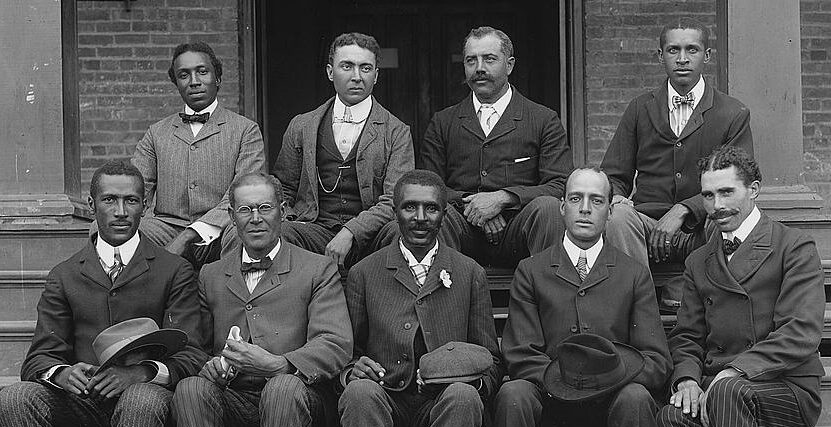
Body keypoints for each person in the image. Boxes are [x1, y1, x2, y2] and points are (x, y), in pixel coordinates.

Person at [0, 160, 205, 427]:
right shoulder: (65, 274)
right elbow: (38, 359)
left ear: (145, 206)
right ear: (92, 205)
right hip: (86, 407)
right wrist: (62, 372)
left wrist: (144, 373)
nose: (120, 211)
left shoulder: (173, 270)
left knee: (143, 399)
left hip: (147, 414)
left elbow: (195, 353)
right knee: (15, 398)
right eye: (109, 200)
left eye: (131, 200)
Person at [491, 167, 671, 427]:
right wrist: (564, 380)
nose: (585, 208)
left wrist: (602, 379)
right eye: (576, 199)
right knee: (512, 394)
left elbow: (656, 360)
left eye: (596, 200)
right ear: (561, 207)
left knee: (639, 398)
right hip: (548, 403)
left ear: (611, 210)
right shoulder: (532, 270)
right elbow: (519, 354)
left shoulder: (631, 272)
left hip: (611, 407)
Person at [171, 172, 353, 427]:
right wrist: (211, 366)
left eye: (264, 208)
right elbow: (192, 345)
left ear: (283, 212)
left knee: (284, 388)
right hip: (235, 398)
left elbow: (336, 342)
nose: (256, 218)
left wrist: (279, 363)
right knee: (190, 390)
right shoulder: (211, 275)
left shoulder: (317, 268)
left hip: (297, 397)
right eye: (245, 210)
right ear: (231, 216)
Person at [657, 146, 824, 427]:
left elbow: (802, 330)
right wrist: (689, 377)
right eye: (708, 197)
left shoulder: (792, 245)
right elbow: (688, 335)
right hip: (726, 392)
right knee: (672, 416)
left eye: (727, 192)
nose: (717, 207)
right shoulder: (699, 260)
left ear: (754, 190)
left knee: (729, 390)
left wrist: (737, 370)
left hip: (787, 391)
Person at [339, 169, 503, 427]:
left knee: (465, 398)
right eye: (410, 207)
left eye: (431, 208)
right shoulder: (364, 273)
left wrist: (469, 380)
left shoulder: (468, 273)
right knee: (357, 394)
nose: (420, 217)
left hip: (441, 399)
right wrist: (351, 369)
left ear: (444, 214)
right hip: (387, 395)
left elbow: (492, 359)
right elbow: (346, 351)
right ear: (394, 213)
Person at [377, 26, 572, 267]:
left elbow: (560, 185)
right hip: (460, 231)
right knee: (432, 213)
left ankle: (549, 295)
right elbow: (428, 184)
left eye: (489, 59)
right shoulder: (444, 121)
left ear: (509, 65)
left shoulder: (542, 119)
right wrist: (475, 204)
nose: (479, 68)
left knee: (549, 209)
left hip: (518, 229)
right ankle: (439, 297)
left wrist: (503, 199)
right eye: (471, 60)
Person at [600, 18, 752, 311]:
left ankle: (691, 286)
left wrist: (684, 208)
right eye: (673, 50)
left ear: (706, 56)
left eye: (691, 50)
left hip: (701, 229)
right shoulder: (640, 108)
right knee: (616, 216)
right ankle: (636, 301)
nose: (682, 59)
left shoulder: (733, 112)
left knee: (727, 211)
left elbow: (738, 179)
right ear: (660, 56)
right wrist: (616, 195)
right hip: (645, 228)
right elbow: (614, 174)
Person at [271, 32, 414, 268]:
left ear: (376, 76)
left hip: (372, 237)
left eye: (365, 68)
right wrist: (291, 218)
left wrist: (351, 232)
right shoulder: (302, 125)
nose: (356, 77)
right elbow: (284, 188)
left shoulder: (396, 131)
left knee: (400, 232)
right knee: (280, 234)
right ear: (330, 72)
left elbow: (396, 199)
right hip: (315, 230)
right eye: (347, 66)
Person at [131, 41, 266, 267]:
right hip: (167, 229)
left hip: (222, 230)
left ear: (218, 78)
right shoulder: (157, 133)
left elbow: (244, 193)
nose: (194, 82)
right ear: (176, 83)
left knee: (242, 232)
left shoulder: (245, 130)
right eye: (184, 75)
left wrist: (191, 234)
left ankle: (233, 299)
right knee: (110, 228)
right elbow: (135, 188)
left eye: (202, 72)